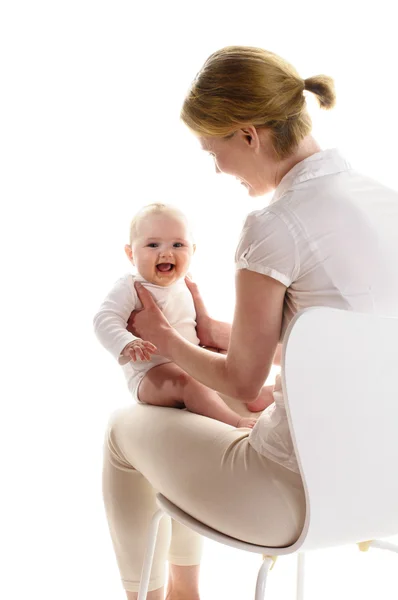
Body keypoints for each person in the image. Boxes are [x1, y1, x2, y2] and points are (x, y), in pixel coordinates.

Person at [102, 46, 398, 600]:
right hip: (385, 491)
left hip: (294, 499)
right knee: (221, 413)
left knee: (123, 429)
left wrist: (164, 337)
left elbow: (241, 381)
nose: (217, 168)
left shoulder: (274, 224)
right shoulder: (385, 202)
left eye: (213, 151)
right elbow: (357, 343)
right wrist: (220, 334)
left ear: (248, 134)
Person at [94, 202, 272, 427]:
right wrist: (127, 343)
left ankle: (255, 395)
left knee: (232, 356)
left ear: (193, 251)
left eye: (178, 244)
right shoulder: (130, 286)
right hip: (151, 372)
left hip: (190, 357)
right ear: (131, 254)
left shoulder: (185, 282)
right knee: (188, 382)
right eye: (152, 244)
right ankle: (236, 422)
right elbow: (104, 319)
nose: (166, 252)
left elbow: (199, 328)